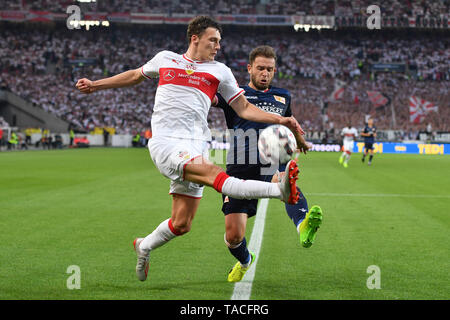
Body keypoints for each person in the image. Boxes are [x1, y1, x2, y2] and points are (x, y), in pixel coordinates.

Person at [75, 16, 305, 282]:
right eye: (213, 40)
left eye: (219, 41)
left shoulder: (221, 71)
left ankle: (144, 246)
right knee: (219, 178)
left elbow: (243, 108)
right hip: (167, 144)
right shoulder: (166, 59)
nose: (218, 46)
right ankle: (279, 191)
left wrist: (281, 119)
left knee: (182, 223)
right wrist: (96, 84)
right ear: (195, 38)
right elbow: (136, 75)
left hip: (197, 146)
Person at [213, 45, 323, 282]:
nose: (265, 73)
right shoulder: (235, 93)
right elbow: (207, 98)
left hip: (271, 161)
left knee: (285, 181)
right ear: (250, 68)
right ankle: (245, 260)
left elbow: (288, 123)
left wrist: (301, 142)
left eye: (270, 69)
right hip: (239, 167)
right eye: (261, 68)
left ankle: (303, 225)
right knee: (233, 236)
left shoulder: (283, 96)